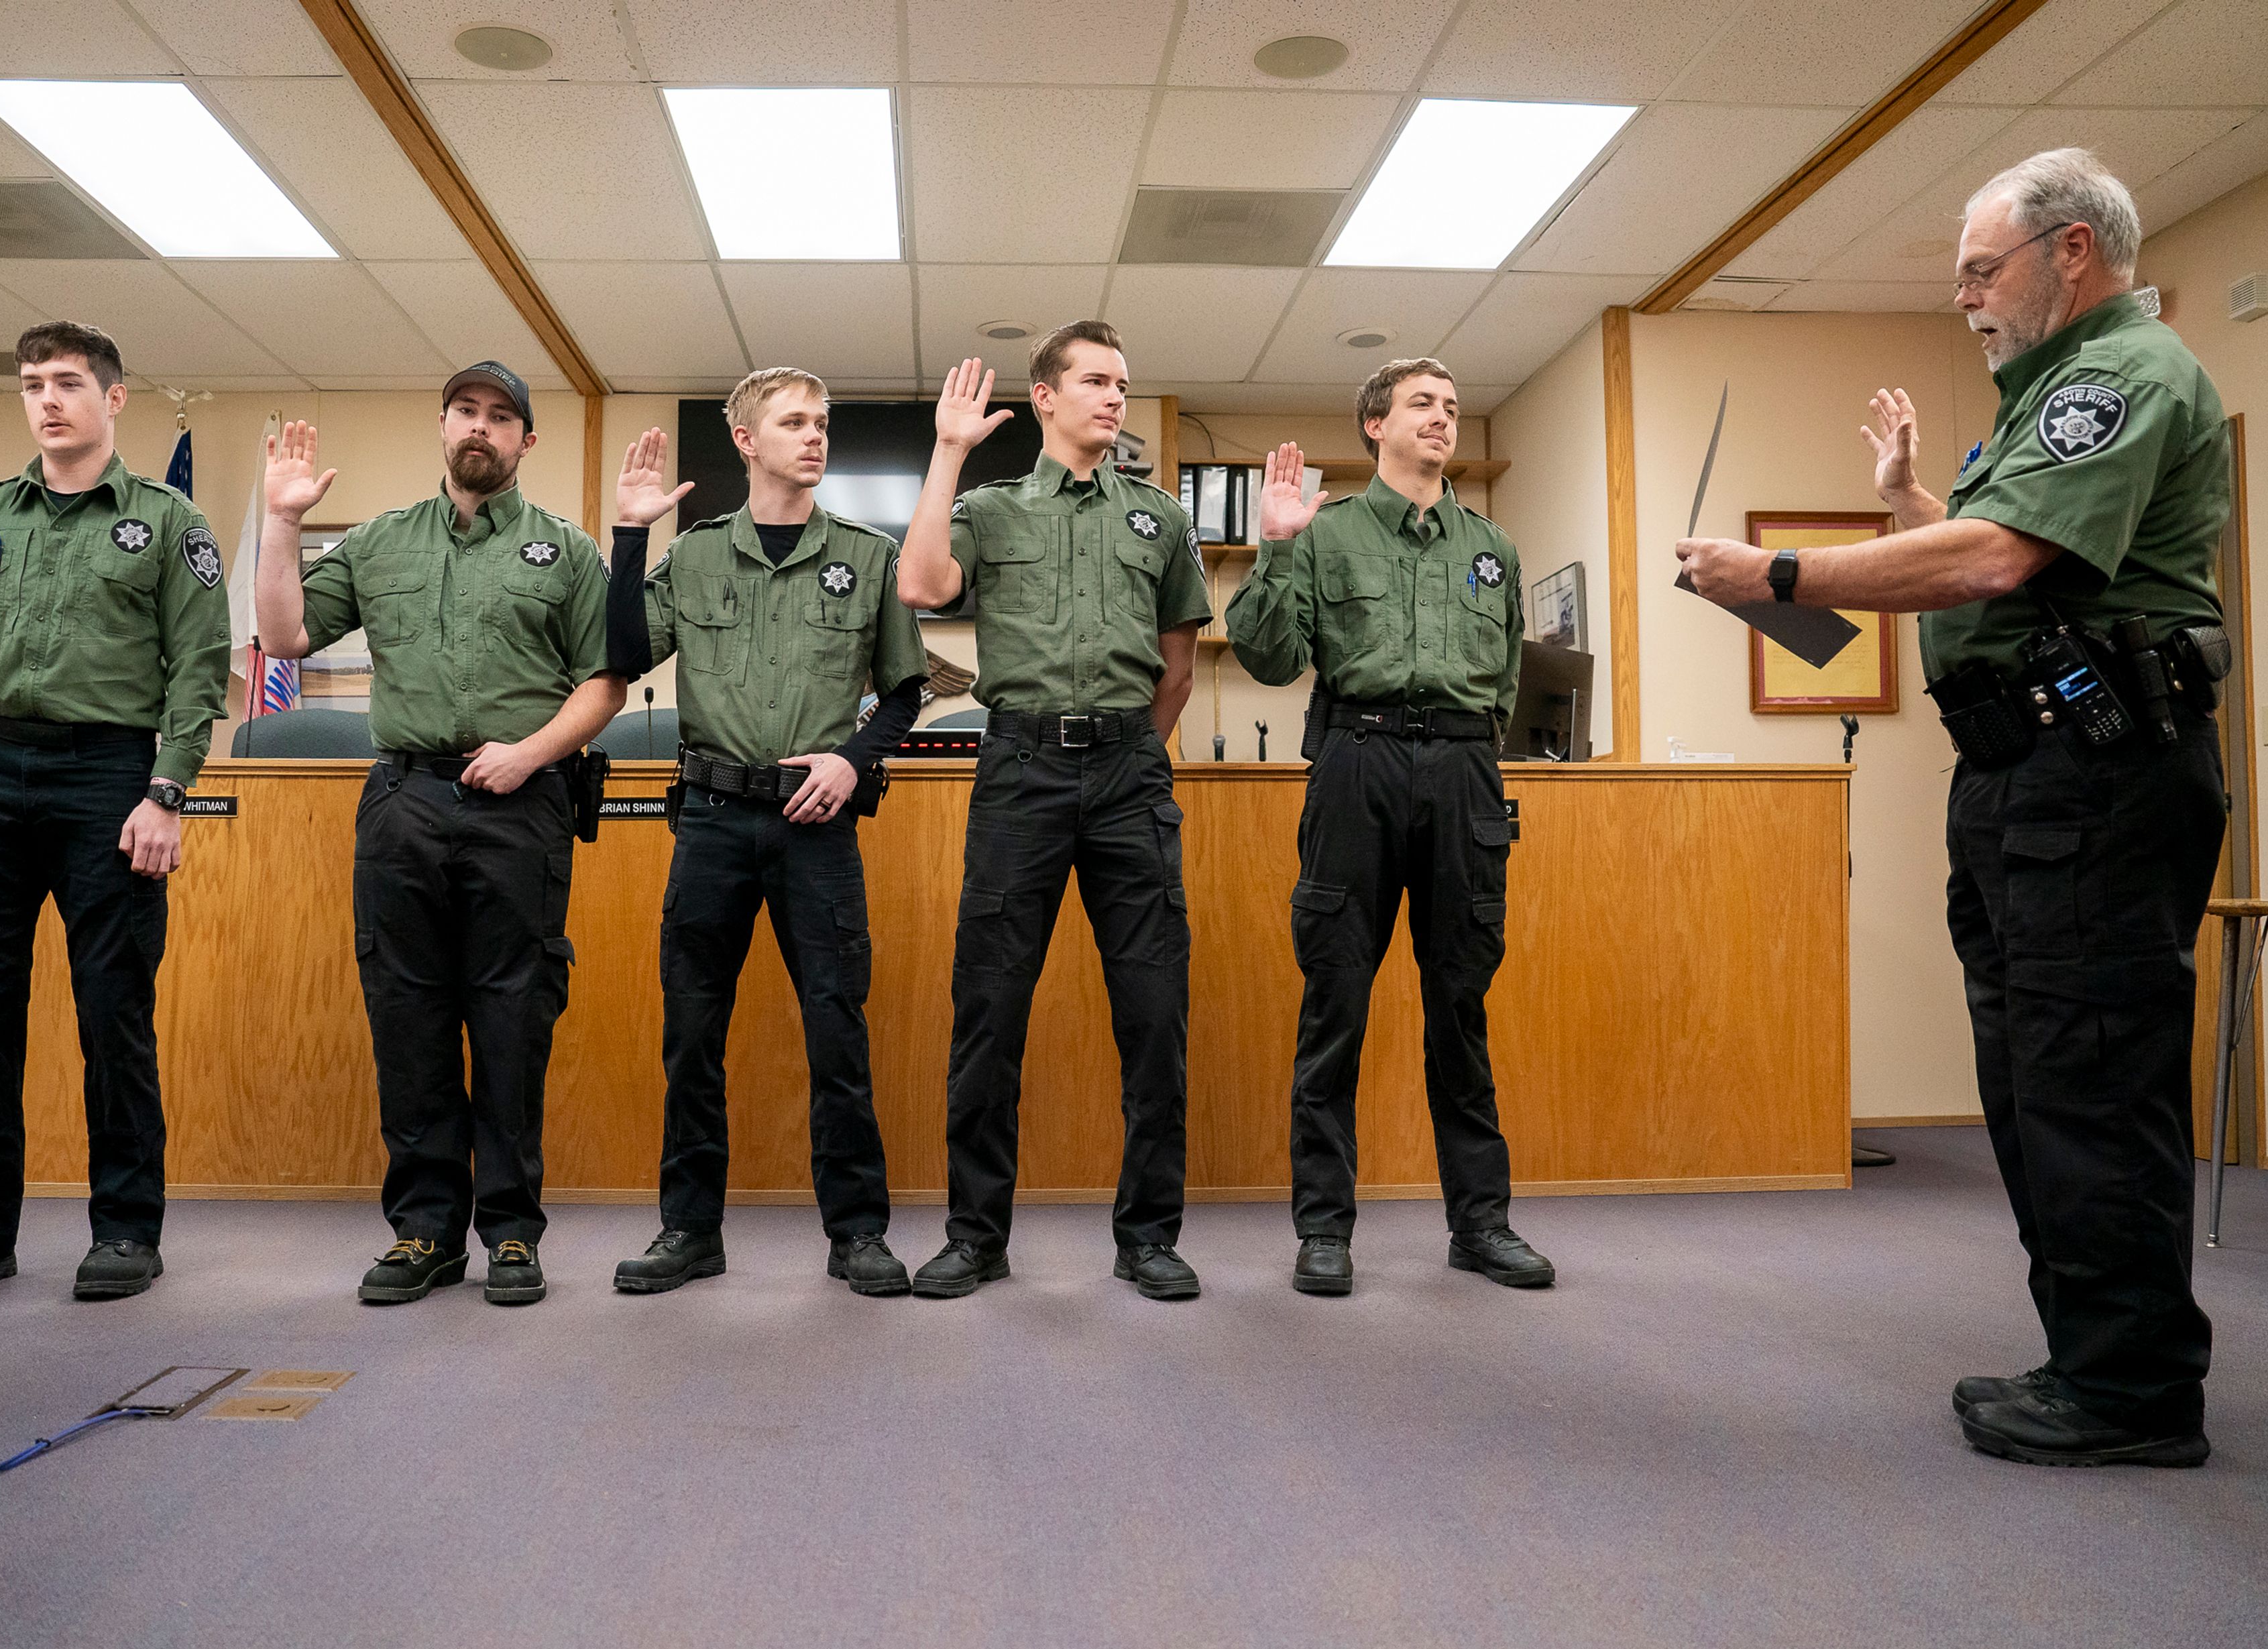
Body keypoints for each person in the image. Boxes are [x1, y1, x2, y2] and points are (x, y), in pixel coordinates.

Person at [1678, 149, 2231, 1468]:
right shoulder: (2044, 400)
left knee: (2088, 1078)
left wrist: (1785, 568)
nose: (1968, 297)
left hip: (2092, 778)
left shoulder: (2123, 376)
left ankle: (2135, 1387)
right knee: (2038, 1082)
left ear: (2074, 252)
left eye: (1984, 269)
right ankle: (2090, 1355)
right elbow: (2013, 564)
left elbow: (1995, 557)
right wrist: (1904, 503)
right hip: (2024, 782)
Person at [0, 319, 228, 1303]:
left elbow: (199, 673)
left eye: (67, 382)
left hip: (106, 778)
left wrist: (167, 790)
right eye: (31, 384)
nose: (47, 400)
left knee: (114, 1012)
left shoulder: (168, 521)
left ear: (115, 399)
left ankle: (125, 1231)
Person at [255, 361, 624, 1308]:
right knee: (408, 1019)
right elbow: (288, 637)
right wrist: (283, 523)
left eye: (503, 417)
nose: (482, 427)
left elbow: (604, 681)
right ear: (444, 423)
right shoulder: (381, 542)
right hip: (404, 803)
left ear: (526, 443)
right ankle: (423, 1233)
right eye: (467, 410)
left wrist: (531, 753)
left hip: (521, 805)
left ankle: (509, 1235)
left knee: (512, 1019)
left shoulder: (568, 551)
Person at [1227, 360, 1556, 1296]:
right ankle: (1323, 1230)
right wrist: (1278, 545)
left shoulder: (1490, 544)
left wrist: (1468, 760)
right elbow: (1267, 654)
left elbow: (1502, 679)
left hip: (1461, 773)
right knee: (1336, 1005)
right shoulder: (1326, 535)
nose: (1444, 419)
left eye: (1454, 407)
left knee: (1460, 1007)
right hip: (1356, 767)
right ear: (1375, 423)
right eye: (1422, 404)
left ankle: (1481, 1224)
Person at [894, 325, 1209, 1300]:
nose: (1116, 398)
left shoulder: (1160, 519)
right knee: (989, 1010)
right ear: (1044, 397)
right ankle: (976, 1237)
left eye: (1124, 382)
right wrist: (948, 451)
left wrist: (1127, 761)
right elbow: (920, 584)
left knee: (1154, 1012)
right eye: (1096, 382)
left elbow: (1178, 665)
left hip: (1127, 772)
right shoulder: (990, 509)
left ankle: (1149, 1238)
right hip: (1021, 768)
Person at [599, 372, 929, 1296]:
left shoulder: (868, 557)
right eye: (794, 423)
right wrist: (631, 536)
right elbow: (624, 654)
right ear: (746, 441)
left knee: (837, 1031)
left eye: (821, 424)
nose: (814, 437)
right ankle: (689, 1231)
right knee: (694, 1031)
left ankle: (858, 1233)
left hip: (814, 825)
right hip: (709, 820)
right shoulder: (698, 555)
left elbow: (906, 688)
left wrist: (853, 760)